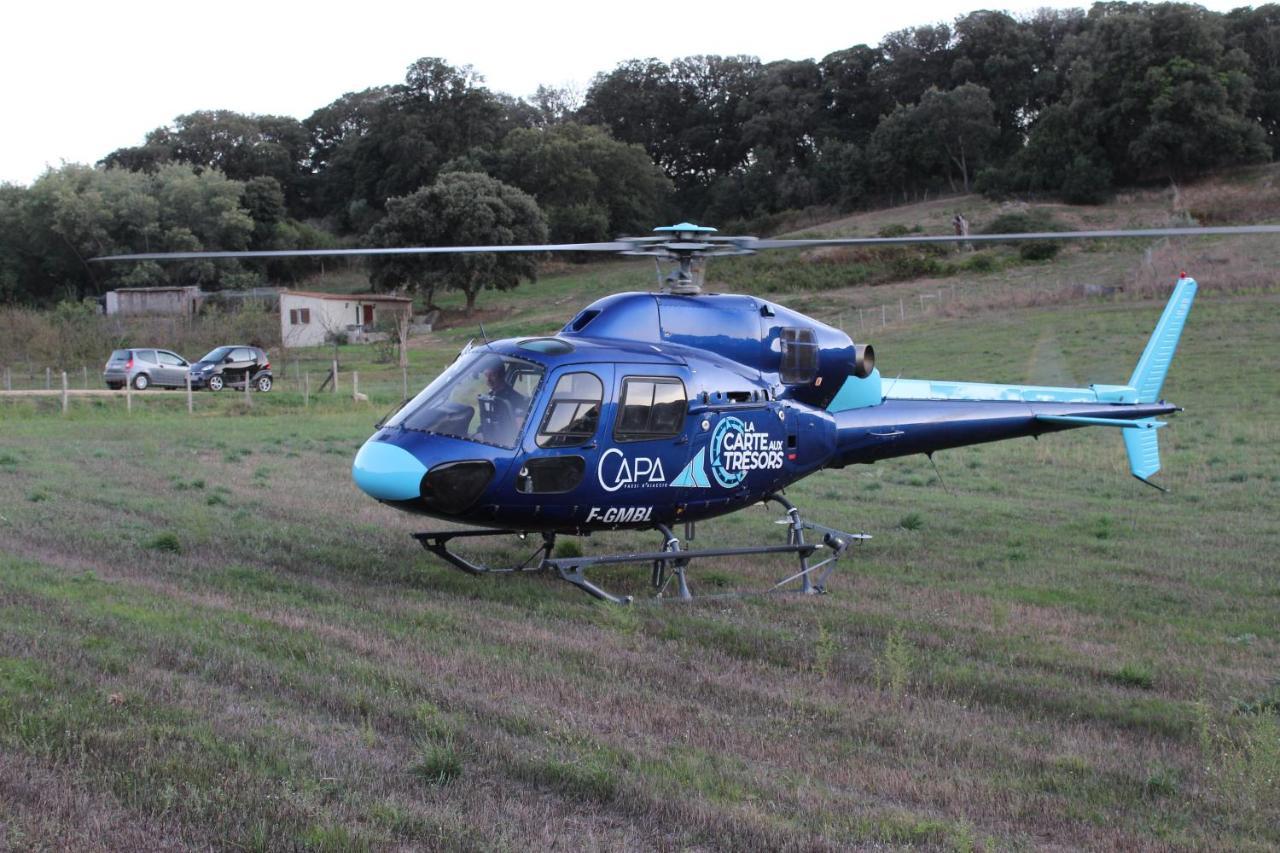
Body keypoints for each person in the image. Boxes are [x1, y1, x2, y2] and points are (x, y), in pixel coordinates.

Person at [478, 360, 528, 443]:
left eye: (492, 375)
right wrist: (479, 432)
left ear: (501, 376)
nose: (488, 380)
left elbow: (517, 433)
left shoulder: (515, 399)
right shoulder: (490, 396)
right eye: (486, 375)